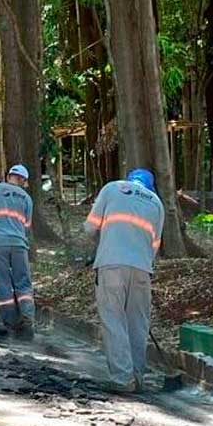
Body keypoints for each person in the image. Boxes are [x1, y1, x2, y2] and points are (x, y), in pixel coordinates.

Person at [84, 168, 165, 393]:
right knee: (137, 323)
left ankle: (122, 378)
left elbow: (90, 227)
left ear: (130, 179)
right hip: (142, 269)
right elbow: (154, 245)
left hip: (111, 264)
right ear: (149, 186)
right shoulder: (157, 203)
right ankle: (137, 375)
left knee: (113, 319)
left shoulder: (112, 188)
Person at [0, 164, 34, 334]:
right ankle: (28, 317)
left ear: (9, 175)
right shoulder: (27, 198)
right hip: (19, 244)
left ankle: (10, 322)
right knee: (23, 283)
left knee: (2, 283)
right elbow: (26, 225)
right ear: (23, 180)